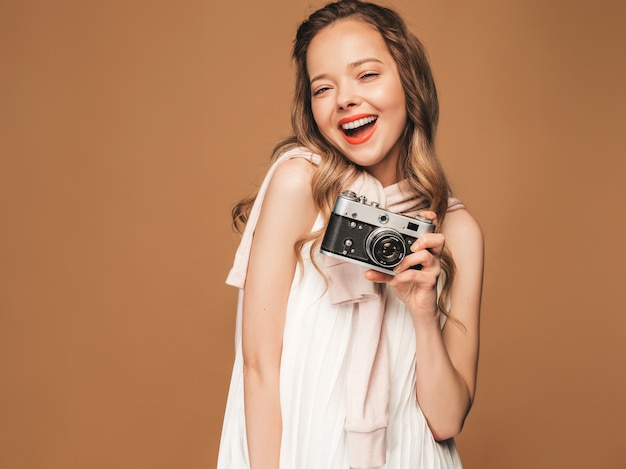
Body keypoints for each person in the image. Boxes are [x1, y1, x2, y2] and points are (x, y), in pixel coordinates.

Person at [217, 0, 484, 468]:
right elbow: (258, 368)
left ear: (409, 80)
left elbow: (446, 421)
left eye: (366, 75)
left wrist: (422, 312)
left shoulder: (455, 230)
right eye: (323, 87)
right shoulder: (300, 185)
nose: (344, 99)